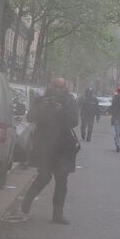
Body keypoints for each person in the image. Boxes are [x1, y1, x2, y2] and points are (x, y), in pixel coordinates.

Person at [20, 78, 80, 224]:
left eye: (61, 87)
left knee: (61, 181)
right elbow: (30, 117)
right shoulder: (41, 100)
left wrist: (61, 111)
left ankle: (57, 215)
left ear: (65, 88)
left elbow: (74, 121)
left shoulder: (70, 101)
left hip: (64, 147)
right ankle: (28, 199)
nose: (58, 89)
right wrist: (43, 107)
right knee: (44, 177)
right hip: (45, 145)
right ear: (50, 86)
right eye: (55, 86)